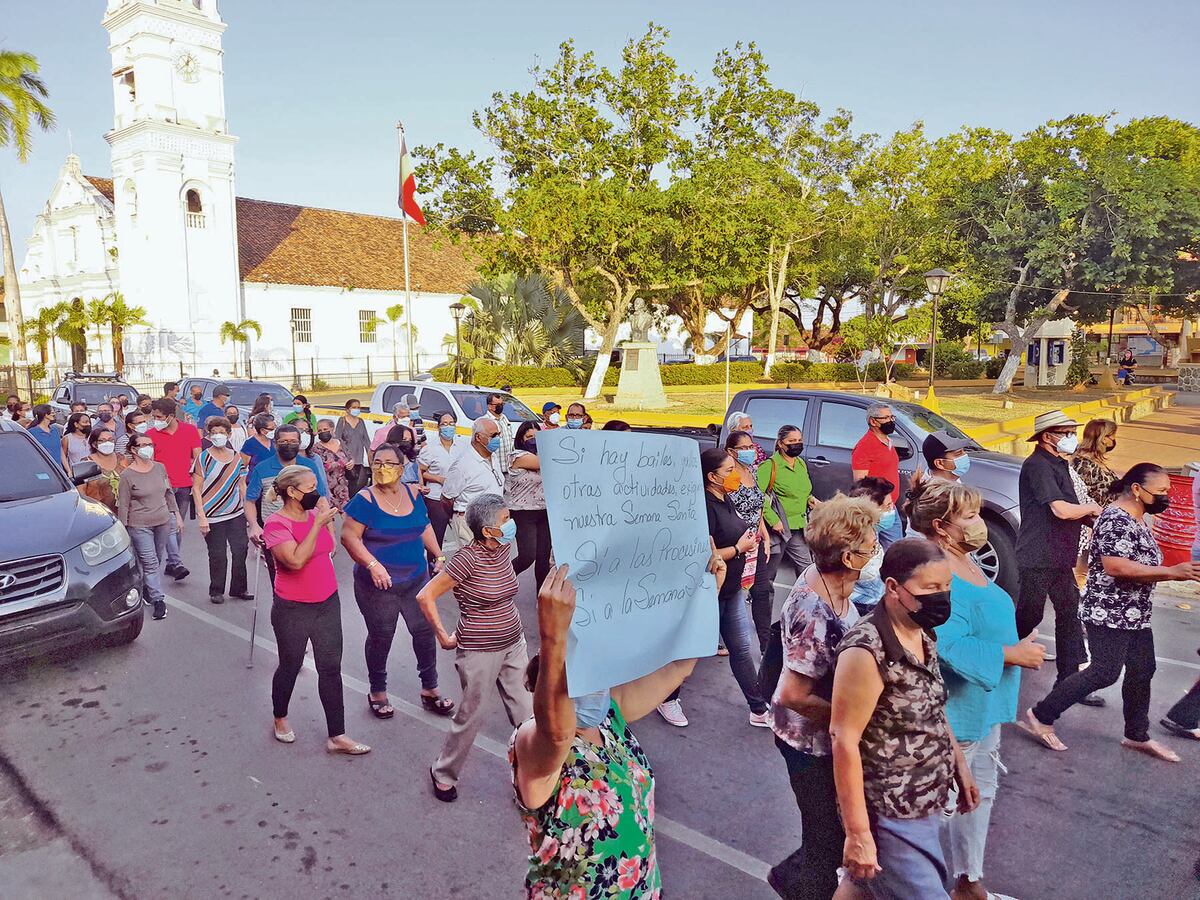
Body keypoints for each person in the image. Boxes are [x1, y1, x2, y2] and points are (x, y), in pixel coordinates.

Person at [509, 562, 716, 898]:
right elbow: (558, 733)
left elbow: (680, 668)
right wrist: (553, 637)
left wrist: (707, 596)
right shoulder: (535, 744)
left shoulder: (610, 718)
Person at [908, 478, 1045, 900]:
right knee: (941, 806)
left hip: (984, 707)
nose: (977, 523)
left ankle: (969, 882)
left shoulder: (969, 562)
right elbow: (946, 644)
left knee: (979, 795)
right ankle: (906, 883)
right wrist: (1011, 654)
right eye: (967, 516)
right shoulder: (940, 572)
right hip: (958, 712)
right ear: (941, 526)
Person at [1019, 463, 1200, 762]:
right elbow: (1115, 566)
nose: (1167, 496)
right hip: (1109, 610)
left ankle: (1136, 734)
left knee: (1143, 669)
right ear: (1138, 490)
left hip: (1134, 613)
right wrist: (1170, 572)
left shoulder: (1139, 518)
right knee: (1104, 672)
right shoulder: (1117, 518)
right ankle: (1041, 714)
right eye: (1162, 491)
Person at [831, 538, 979, 899]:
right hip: (890, 812)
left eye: (946, 587)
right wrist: (858, 834)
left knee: (862, 887)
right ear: (893, 588)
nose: (941, 597)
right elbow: (844, 740)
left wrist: (958, 762)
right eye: (930, 588)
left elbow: (930, 703)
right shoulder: (867, 650)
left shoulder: (920, 631)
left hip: (925, 801)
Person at [767, 494, 879, 899]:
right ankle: (797, 885)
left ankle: (791, 876)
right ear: (848, 558)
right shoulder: (815, 609)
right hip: (806, 743)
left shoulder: (834, 582)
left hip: (819, 739)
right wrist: (850, 719)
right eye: (869, 544)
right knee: (826, 841)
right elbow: (794, 694)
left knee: (825, 832)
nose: (874, 548)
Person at [418, 494, 533, 802]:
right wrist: (444, 635)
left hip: (514, 642)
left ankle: (529, 781)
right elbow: (425, 597)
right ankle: (443, 772)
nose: (511, 525)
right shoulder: (466, 559)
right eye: (505, 521)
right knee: (472, 716)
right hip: (480, 649)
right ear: (486, 530)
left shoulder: (505, 548)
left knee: (529, 716)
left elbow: (503, 592)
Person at [341, 444, 454, 721]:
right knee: (382, 637)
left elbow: (424, 526)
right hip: (378, 586)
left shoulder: (414, 493)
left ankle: (430, 688)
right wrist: (372, 564)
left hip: (416, 580)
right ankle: (377, 691)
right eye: (377, 463)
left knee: (424, 634)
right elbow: (349, 537)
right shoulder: (364, 500)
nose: (383, 469)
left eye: (390, 463)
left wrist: (438, 554)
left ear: (402, 469)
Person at [262, 465, 369, 756]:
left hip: (327, 602)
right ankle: (280, 717)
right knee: (290, 665)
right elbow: (295, 561)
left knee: (331, 669)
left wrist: (323, 523)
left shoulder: (314, 516)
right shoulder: (276, 524)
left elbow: (330, 548)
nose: (317, 493)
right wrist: (317, 524)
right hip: (292, 608)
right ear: (292, 493)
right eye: (310, 489)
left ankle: (337, 735)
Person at [659, 449, 769, 729]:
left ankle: (758, 708)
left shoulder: (726, 497)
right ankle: (666, 698)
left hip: (729, 589)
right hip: (707, 590)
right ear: (712, 477)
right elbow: (702, 555)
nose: (735, 475)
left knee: (741, 648)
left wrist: (747, 540)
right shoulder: (703, 507)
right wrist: (738, 548)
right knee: (689, 648)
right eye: (728, 471)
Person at [1013, 412, 1103, 695]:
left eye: (1071, 432)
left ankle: (1069, 681)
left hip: (1059, 554)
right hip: (1038, 554)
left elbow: (1071, 506)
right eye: (1064, 432)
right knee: (1030, 614)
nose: (1070, 438)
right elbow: (1060, 509)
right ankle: (998, 653)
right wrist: (1091, 510)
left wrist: (1094, 518)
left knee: (1069, 613)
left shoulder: (1059, 464)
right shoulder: (1038, 466)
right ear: (1046, 436)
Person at [752, 425, 814, 653]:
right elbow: (757, 497)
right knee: (766, 581)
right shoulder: (770, 466)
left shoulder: (801, 464)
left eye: (799, 439)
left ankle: (805, 623)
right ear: (780, 443)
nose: (796, 444)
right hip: (777, 529)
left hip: (798, 527)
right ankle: (765, 636)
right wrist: (773, 519)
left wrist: (811, 500)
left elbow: (804, 491)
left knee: (808, 574)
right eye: (792, 441)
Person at [246, 424, 330, 582]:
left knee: (310, 575)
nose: (288, 445)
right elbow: (250, 500)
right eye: (284, 442)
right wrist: (254, 526)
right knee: (280, 577)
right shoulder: (262, 468)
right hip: (275, 531)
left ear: (299, 443)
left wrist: (329, 532)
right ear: (275, 443)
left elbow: (321, 500)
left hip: (306, 528)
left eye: (293, 441)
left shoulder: (309, 465)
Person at [117, 433, 182, 621]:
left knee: (157, 558)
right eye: (143, 445)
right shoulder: (127, 475)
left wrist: (176, 515)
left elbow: (168, 493)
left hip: (162, 521)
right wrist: (123, 530)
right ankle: (158, 600)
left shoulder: (160, 468)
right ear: (134, 450)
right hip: (139, 525)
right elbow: (123, 504)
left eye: (150, 444)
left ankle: (148, 587)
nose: (148, 448)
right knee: (150, 562)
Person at [192, 416, 251, 604]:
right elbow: (196, 488)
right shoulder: (203, 458)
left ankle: (239, 588)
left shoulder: (236, 457)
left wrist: (249, 513)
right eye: (214, 433)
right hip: (212, 514)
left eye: (222, 433)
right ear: (209, 435)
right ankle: (216, 590)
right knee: (217, 554)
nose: (218, 436)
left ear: (229, 434)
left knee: (240, 550)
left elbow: (242, 485)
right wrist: (201, 516)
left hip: (235, 513)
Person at [724, 430, 772, 650]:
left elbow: (758, 506)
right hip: (736, 545)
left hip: (755, 543)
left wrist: (765, 534)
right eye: (743, 448)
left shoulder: (753, 471)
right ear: (730, 452)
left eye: (750, 447)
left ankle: (765, 645)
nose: (748, 452)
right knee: (729, 595)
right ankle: (720, 637)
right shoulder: (727, 477)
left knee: (761, 592)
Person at [147, 398, 202, 581]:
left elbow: (198, 458)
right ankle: (175, 563)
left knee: (178, 526)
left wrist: (196, 481)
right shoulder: (150, 435)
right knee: (171, 523)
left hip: (184, 485)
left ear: (170, 416)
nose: (156, 419)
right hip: (162, 488)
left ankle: (171, 563)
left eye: (159, 416)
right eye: (154, 416)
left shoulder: (190, 430)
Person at [441, 417, 505, 558]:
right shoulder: (463, 465)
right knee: (476, 568)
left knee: (493, 567)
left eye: (498, 435)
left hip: (494, 523)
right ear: (478, 437)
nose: (497, 439)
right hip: (471, 525)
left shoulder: (493, 457)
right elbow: (446, 498)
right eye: (493, 435)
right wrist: (462, 517)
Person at [506, 421, 552, 589]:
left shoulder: (546, 455)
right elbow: (541, 463)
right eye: (529, 437)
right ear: (521, 439)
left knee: (543, 558)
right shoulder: (517, 456)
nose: (533, 440)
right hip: (523, 512)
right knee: (527, 556)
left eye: (537, 436)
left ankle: (541, 598)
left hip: (544, 511)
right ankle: (499, 580)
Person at [851, 403, 903, 546]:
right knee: (874, 552)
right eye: (885, 418)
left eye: (892, 417)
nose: (891, 421)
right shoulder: (864, 446)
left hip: (890, 507)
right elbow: (861, 484)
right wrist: (876, 508)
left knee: (896, 550)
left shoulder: (888, 442)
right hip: (876, 511)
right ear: (873, 421)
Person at [848, 477, 895, 615]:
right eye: (888, 506)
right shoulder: (856, 544)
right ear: (870, 511)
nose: (892, 510)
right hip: (862, 608)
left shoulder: (870, 533)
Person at [418, 412, 458, 553]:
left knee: (465, 538)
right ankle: (434, 570)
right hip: (436, 498)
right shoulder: (430, 448)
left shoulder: (461, 447)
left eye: (451, 423)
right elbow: (421, 470)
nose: (448, 427)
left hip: (457, 499)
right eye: (444, 424)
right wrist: (438, 479)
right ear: (439, 427)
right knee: (436, 539)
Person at [79, 425, 126, 512]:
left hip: (124, 512)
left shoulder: (123, 459)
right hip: (98, 512)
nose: (107, 443)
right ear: (94, 444)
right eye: (102, 440)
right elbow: (81, 491)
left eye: (110, 440)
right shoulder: (86, 463)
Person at [334, 399, 371, 494]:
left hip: (358, 458)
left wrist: (371, 456)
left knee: (358, 483)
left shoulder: (361, 421)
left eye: (358, 407)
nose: (357, 409)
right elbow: (338, 439)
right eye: (354, 407)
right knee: (348, 484)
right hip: (346, 459)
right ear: (347, 409)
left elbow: (366, 439)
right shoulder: (342, 421)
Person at [313, 418, 351, 510]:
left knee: (345, 513)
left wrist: (351, 463)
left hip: (342, 486)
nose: (323, 432)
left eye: (325, 429)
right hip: (326, 486)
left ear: (332, 429)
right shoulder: (315, 448)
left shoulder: (341, 443)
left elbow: (349, 457)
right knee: (328, 515)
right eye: (320, 431)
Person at [384, 422, 425, 489]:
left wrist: (422, 488)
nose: (407, 443)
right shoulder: (385, 461)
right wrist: (410, 488)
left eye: (410, 440)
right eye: (404, 440)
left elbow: (420, 483)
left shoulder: (413, 460)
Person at [484, 392, 514, 476]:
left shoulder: (504, 419)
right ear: (490, 406)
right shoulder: (484, 421)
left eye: (502, 404)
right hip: (494, 470)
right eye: (497, 404)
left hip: (509, 469)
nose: (500, 407)